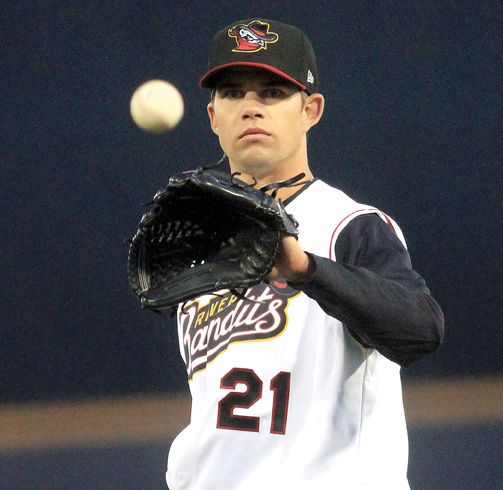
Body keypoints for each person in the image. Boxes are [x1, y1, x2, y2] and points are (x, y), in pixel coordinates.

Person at [166, 18, 444, 490]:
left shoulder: (348, 225)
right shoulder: (203, 248)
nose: (251, 107)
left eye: (273, 92)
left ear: (310, 110)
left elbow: (420, 331)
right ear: (213, 117)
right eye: (232, 93)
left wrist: (306, 270)